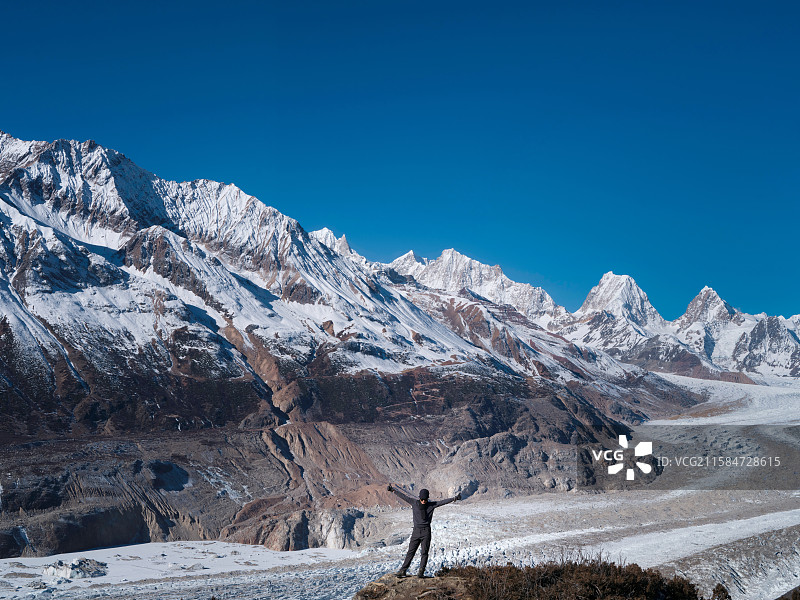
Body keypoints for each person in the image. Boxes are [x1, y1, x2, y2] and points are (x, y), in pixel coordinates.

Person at [387, 483, 461, 578]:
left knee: (424, 552)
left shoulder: (431, 505)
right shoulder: (414, 502)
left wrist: (454, 498)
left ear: (427, 498)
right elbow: (403, 496)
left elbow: (443, 502)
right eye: (422, 499)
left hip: (426, 532)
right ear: (419, 498)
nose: (423, 501)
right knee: (411, 552)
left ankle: (421, 572)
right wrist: (392, 490)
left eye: (425, 499)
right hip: (416, 532)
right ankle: (403, 570)